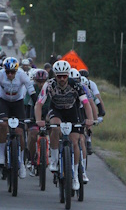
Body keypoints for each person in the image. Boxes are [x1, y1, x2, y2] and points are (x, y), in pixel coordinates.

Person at [34, 60, 95, 192]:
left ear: (68, 75)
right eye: (59, 76)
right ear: (55, 75)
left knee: (75, 141)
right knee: (55, 127)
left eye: (64, 76)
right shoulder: (48, 85)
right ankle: (55, 160)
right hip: (56, 110)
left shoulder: (77, 86)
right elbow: (39, 104)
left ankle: (75, 177)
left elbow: (86, 104)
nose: (62, 79)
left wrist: (89, 119)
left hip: (72, 111)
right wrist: (39, 120)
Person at [0, 56, 33, 178]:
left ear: (16, 71)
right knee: (3, 124)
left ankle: (22, 164)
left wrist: (34, 103)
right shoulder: (0, 74)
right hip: (3, 101)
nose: (9, 75)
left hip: (18, 102)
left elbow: (31, 89)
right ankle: (2, 156)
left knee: (20, 131)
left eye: (12, 72)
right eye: (7, 72)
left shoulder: (22, 74)